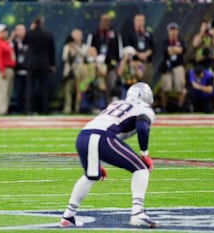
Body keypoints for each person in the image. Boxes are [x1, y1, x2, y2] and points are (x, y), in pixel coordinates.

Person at [60, 82, 159, 228]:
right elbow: (142, 127)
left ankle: (68, 216)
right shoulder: (144, 109)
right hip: (103, 137)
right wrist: (145, 154)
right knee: (141, 168)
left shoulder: (116, 103)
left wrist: (97, 157)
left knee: (92, 175)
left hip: (83, 135)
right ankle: (138, 213)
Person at [23, 16, 55, 114]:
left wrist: (31, 29)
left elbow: (24, 42)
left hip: (31, 64)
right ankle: (45, 109)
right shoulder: (48, 34)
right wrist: (52, 64)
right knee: (44, 88)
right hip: (44, 65)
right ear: (42, 23)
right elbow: (52, 51)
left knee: (30, 88)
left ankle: (29, 109)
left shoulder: (29, 33)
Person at [192, 19, 214, 112]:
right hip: (201, 68)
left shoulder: (213, 38)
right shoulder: (200, 37)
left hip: (212, 67)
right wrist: (201, 32)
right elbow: (195, 44)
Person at [90, 13, 121, 104]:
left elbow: (119, 51)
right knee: (98, 84)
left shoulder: (115, 34)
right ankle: (98, 104)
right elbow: (90, 50)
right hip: (97, 66)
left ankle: (111, 105)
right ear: (100, 21)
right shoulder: (94, 34)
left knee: (112, 83)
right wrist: (95, 62)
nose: (106, 23)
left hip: (111, 64)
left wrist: (116, 64)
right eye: (104, 20)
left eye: (108, 20)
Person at [159, 22, 187, 113]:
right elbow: (166, 52)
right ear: (168, 31)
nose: (173, 32)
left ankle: (180, 107)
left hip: (178, 66)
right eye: (171, 30)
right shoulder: (165, 42)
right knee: (166, 88)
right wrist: (176, 50)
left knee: (181, 88)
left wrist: (172, 49)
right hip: (167, 67)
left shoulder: (181, 41)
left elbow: (182, 50)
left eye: (175, 30)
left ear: (177, 31)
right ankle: (164, 107)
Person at [0, 24, 16, 115]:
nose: (5, 33)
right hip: (2, 69)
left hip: (9, 69)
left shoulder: (5, 43)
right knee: (1, 91)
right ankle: (1, 111)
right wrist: (2, 70)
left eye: (5, 31)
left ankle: (5, 110)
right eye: (3, 31)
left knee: (7, 91)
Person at [62, 29, 88, 114]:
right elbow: (64, 58)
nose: (78, 37)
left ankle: (78, 108)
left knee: (80, 90)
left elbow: (85, 56)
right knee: (68, 91)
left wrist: (75, 48)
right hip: (70, 71)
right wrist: (71, 52)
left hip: (82, 73)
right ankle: (67, 108)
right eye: (76, 35)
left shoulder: (84, 46)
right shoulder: (67, 46)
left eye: (79, 35)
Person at [125, 13, 154, 87]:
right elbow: (128, 47)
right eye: (138, 20)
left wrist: (146, 54)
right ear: (134, 21)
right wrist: (139, 54)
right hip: (135, 62)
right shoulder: (130, 33)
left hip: (147, 62)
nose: (140, 22)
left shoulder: (148, 33)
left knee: (148, 84)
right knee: (137, 83)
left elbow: (153, 47)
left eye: (142, 20)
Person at [10, 24, 28, 113]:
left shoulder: (29, 41)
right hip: (17, 70)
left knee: (27, 92)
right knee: (19, 91)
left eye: (22, 30)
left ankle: (27, 109)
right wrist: (11, 38)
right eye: (19, 30)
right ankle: (19, 109)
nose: (21, 32)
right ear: (16, 32)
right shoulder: (13, 42)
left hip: (28, 70)